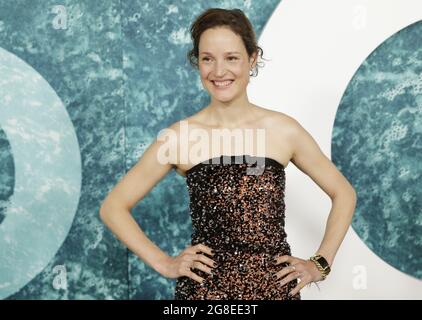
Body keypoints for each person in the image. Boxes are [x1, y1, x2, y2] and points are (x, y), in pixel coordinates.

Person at [99, 8, 357, 300]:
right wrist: (165, 263)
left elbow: (343, 193)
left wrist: (319, 263)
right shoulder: (179, 137)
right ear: (198, 63)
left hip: (275, 292)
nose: (219, 71)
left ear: (252, 59)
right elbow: (113, 207)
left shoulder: (284, 130)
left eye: (231, 58)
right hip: (204, 295)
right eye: (208, 58)